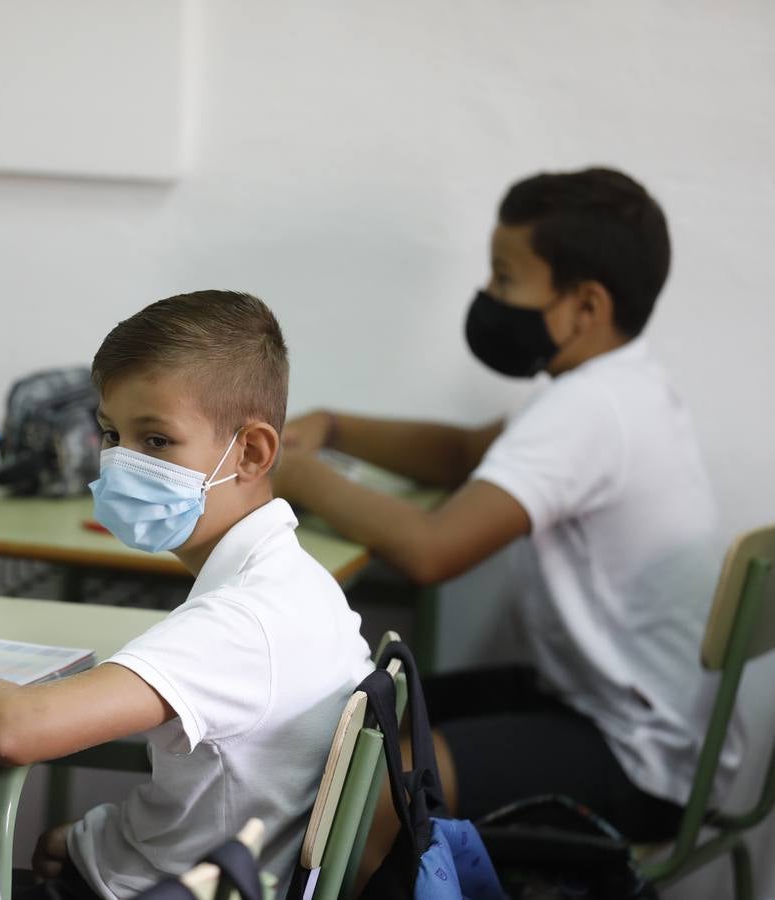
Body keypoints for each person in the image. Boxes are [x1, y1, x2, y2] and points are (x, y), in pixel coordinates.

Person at [272, 167, 741, 859]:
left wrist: (287, 468)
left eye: (505, 279)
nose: (489, 298)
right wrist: (335, 426)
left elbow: (432, 551)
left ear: (585, 306)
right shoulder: (616, 384)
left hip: (638, 759)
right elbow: (466, 453)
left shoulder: (591, 410)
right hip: (625, 719)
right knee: (350, 723)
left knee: (372, 789)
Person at [0, 291, 374, 899]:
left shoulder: (243, 622)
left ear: (252, 452)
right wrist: (93, 836)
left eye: (157, 441)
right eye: (111, 433)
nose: (120, 463)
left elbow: (15, 729)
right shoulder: (299, 583)